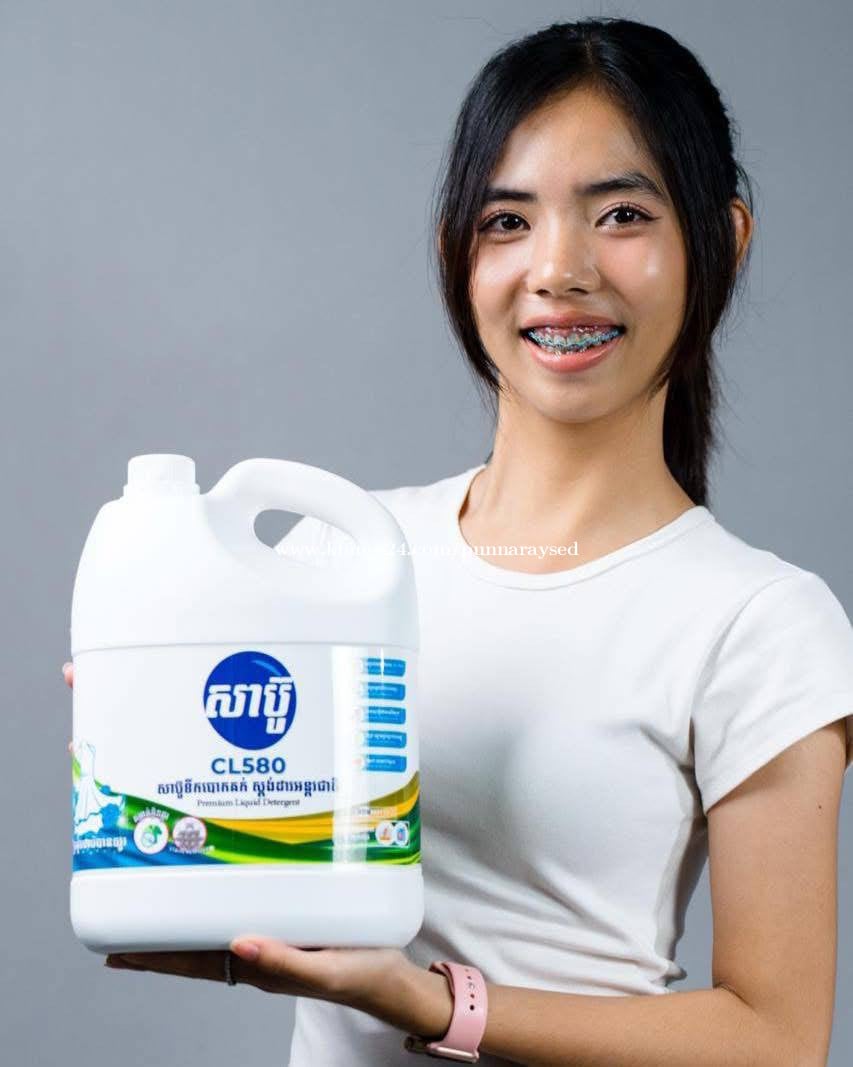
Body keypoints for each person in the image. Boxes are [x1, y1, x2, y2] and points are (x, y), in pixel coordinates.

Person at [64, 17, 853, 1066]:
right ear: (456, 251)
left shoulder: (759, 621)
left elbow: (776, 1038)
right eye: (507, 221)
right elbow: (243, 837)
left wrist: (437, 1003)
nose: (558, 269)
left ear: (724, 240)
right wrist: (154, 725)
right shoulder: (339, 556)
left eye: (621, 214)